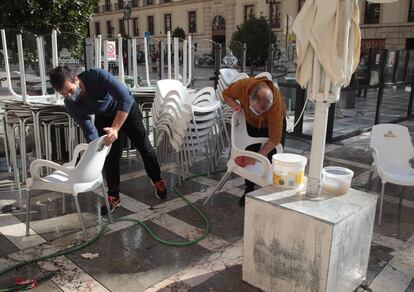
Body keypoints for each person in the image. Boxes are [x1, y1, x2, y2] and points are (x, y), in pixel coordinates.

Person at [48, 66, 167, 214]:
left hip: (126, 109)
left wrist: (115, 128)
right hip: (104, 117)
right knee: (110, 157)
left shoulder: (96, 76)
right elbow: (89, 129)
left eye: (71, 90)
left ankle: (157, 180)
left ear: (76, 79)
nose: (70, 96)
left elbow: (125, 97)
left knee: (144, 146)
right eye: (64, 94)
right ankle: (113, 196)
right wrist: (97, 150)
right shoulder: (71, 104)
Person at [223, 77, 286, 207]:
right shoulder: (242, 87)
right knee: (250, 153)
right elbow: (226, 94)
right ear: (249, 97)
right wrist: (234, 105)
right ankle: (248, 190)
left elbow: (275, 138)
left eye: (263, 112)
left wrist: (259, 156)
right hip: (252, 123)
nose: (260, 115)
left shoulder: (276, 105)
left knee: (274, 159)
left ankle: (271, 193)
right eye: (257, 111)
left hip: (273, 126)